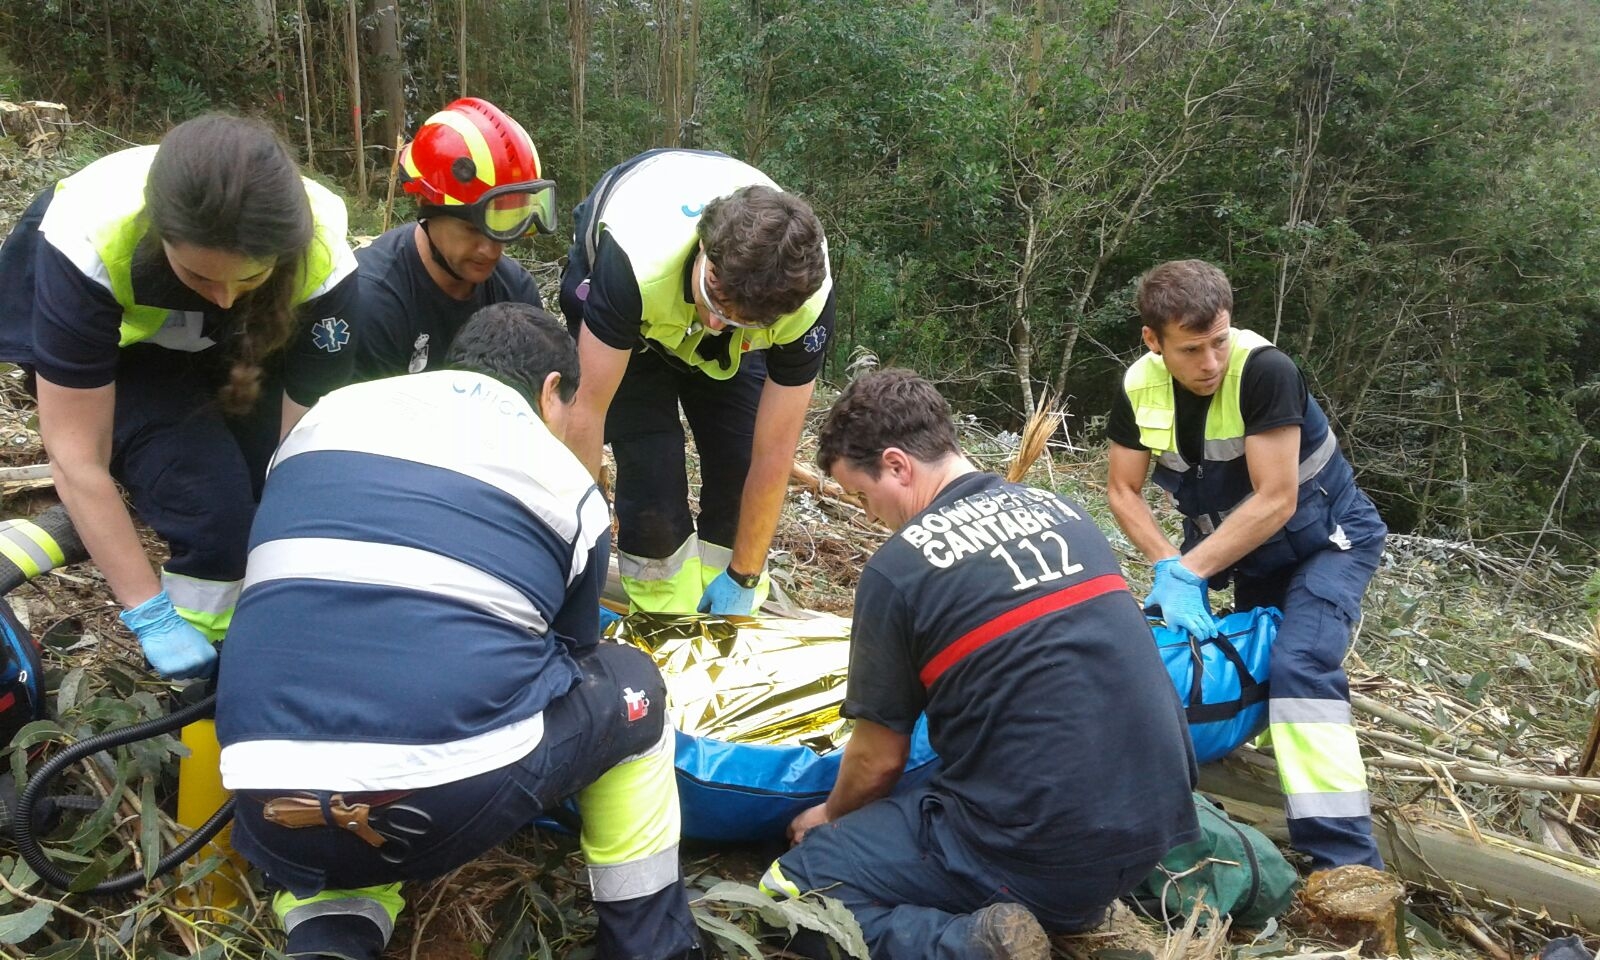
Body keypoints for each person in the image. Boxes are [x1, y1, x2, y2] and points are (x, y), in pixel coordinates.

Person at [215, 303, 701, 960]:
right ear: (551, 392)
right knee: (632, 688)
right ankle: (650, 945)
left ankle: (333, 934)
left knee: (341, 722)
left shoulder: (323, 420)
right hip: (432, 803)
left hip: (267, 798)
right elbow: (568, 656)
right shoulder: (564, 481)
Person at [759, 370, 1200, 960]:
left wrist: (830, 816)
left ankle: (968, 946)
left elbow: (879, 759)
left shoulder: (900, 568)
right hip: (1155, 831)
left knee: (790, 890)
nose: (870, 515)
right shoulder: (1063, 511)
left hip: (1038, 853)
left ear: (896, 465)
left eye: (863, 495)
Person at [0, 114, 358, 680]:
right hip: (123, 348)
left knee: (260, 482)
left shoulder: (319, 254)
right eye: (200, 277)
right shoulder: (90, 240)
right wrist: (149, 612)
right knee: (213, 510)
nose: (222, 298)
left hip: (234, 335)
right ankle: (198, 682)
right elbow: (76, 456)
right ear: (163, 236)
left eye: (246, 278)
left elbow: (305, 447)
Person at [1104, 259, 1388, 872]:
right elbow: (1123, 490)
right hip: (1245, 551)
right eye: (1190, 349)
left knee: (1301, 662)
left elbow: (1277, 497)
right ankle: (1230, 760)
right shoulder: (1138, 386)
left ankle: (1345, 862)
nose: (1210, 363)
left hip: (1328, 543)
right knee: (1226, 660)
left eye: (1218, 341)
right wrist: (1166, 567)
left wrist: (1191, 572)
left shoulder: (1266, 372)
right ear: (1153, 341)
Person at [558, 148, 834, 615]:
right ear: (704, 248)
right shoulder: (632, 261)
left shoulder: (801, 301)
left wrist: (744, 576)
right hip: (641, 311)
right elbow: (586, 415)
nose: (714, 325)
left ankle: (723, 607)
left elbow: (773, 451)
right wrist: (576, 573)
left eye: (735, 319)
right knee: (651, 462)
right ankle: (662, 607)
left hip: (738, 310)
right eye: (713, 300)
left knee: (739, 455)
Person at [352, 98, 553, 380]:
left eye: (501, 226)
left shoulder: (515, 292)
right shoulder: (372, 304)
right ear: (426, 205)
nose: (491, 250)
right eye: (472, 229)